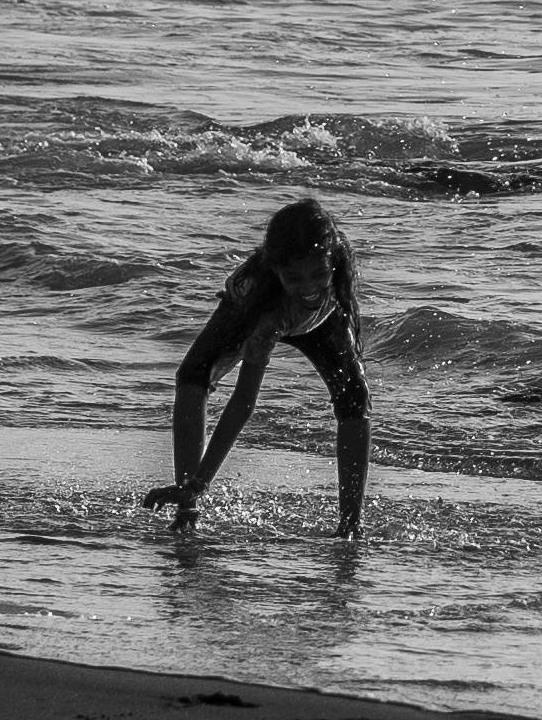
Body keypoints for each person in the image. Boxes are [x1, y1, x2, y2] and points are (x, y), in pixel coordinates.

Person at [141, 197, 370, 537]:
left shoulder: (337, 275)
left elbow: (323, 290)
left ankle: (350, 525)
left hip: (321, 324)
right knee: (193, 375)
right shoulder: (264, 313)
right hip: (252, 309)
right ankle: (187, 505)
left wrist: (324, 287)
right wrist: (200, 482)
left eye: (318, 273)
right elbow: (243, 403)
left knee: (355, 399)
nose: (308, 287)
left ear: (332, 260)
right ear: (276, 269)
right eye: (294, 277)